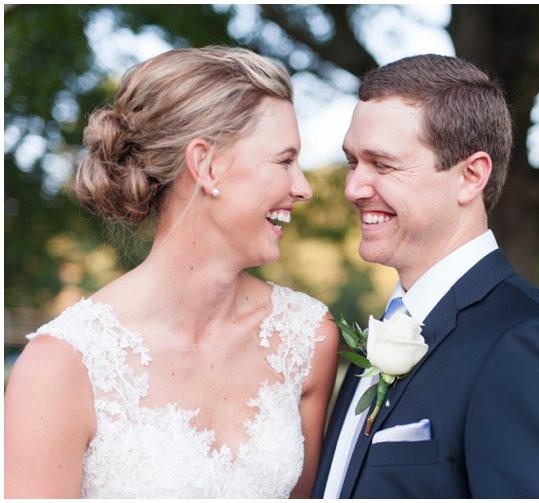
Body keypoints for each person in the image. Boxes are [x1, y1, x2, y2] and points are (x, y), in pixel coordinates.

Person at [3, 46, 340, 498]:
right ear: (206, 164)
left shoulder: (306, 337)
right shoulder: (63, 365)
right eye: (284, 161)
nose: (304, 188)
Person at [311, 54, 539, 498]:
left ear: (471, 176)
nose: (353, 188)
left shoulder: (532, 346)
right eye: (352, 162)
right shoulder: (382, 334)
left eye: (382, 165)